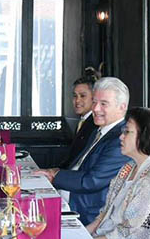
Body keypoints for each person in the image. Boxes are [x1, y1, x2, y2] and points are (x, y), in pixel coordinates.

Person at [34, 77, 129, 225]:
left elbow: (92, 181)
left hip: (86, 212)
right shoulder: (99, 131)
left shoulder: (121, 139)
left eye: (103, 104)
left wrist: (55, 176)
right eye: (95, 102)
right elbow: (79, 166)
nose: (95, 109)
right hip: (67, 196)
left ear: (122, 107)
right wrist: (54, 172)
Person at [86, 107, 150, 239]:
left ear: (145, 136)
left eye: (127, 132)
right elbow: (105, 214)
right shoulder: (128, 167)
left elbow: (128, 233)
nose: (121, 136)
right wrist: (85, 234)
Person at [58, 67, 100, 169]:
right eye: (75, 96)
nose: (77, 101)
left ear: (94, 98)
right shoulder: (82, 121)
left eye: (82, 96)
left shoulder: (96, 123)